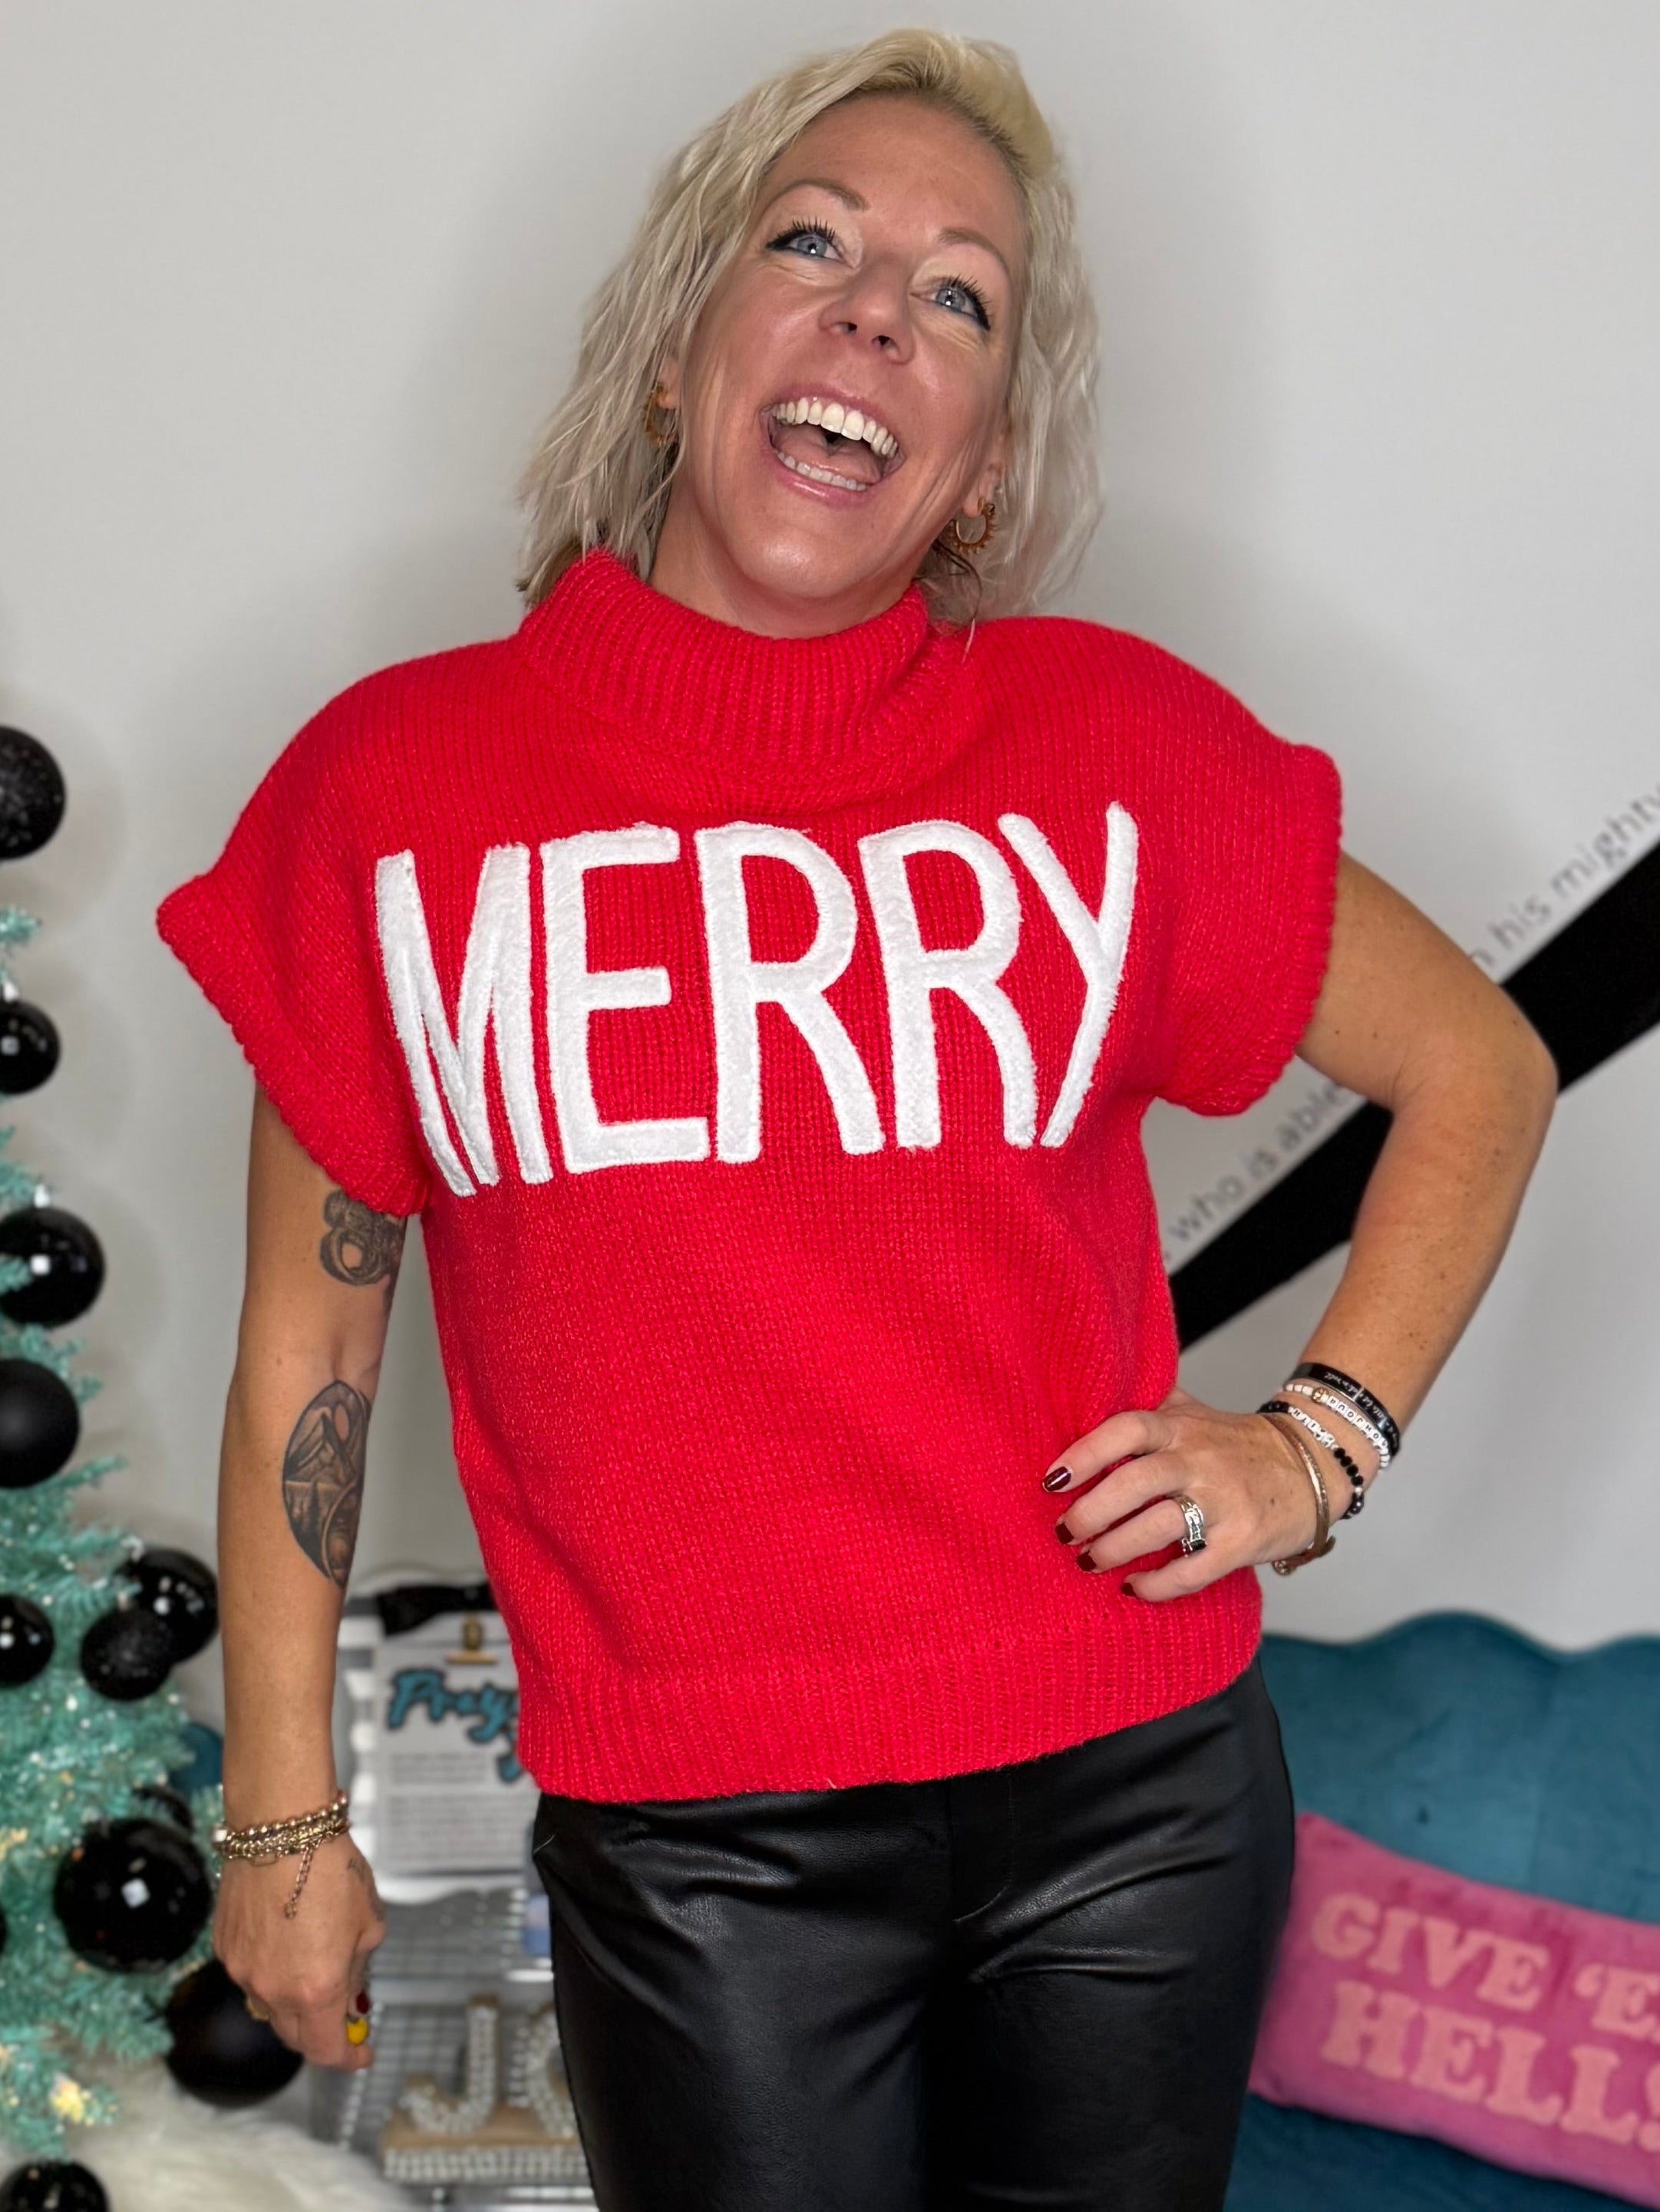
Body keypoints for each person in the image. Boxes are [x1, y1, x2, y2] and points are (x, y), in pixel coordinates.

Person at [156, 28, 1557, 2210]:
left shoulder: (1103, 749)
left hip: (1137, 1800)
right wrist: (280, 1814)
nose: (874, 308)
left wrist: (1314, 1442)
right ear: (673, 352)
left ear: (978, 463)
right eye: (808, 241)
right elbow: (309, 1356)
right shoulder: (392, 800)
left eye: (958, 294)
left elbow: (1479, 1059)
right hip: (704, 1848)